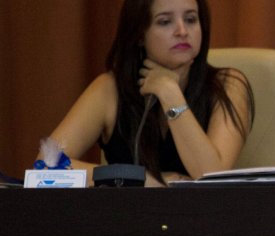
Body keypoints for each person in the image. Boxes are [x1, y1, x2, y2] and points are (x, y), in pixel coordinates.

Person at [37, 0, 253, 187]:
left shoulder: (227, 85)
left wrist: (170, 94)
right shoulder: (109, 89)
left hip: (204, 228)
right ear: (139, 34)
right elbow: (46, 168)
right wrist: (139, 179)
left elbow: (211, 179)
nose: (182, 31)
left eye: (190, 19)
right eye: (165, 21)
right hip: (130, 227)